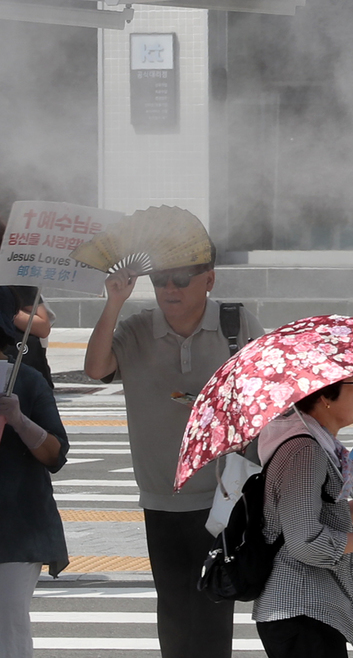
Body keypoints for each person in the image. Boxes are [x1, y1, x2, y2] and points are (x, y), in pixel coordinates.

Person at [82, 251, 263, 658]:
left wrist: (220, 412)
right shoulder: (137, 327)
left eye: (181, 279)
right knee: (174, 610)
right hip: (161, 496)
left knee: (215, 608)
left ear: (209, 280)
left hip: (222, 497)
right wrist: (114, 301)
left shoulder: (237, 324)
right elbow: (95, 369)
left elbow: (264, 399)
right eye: (161, 279)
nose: (169, 288)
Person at [254, 376, 353, 657]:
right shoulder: (304, 452)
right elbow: (305, 542)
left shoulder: (315, 444)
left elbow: (321, 518)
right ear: (324, 397)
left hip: (309, 608)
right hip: (301, 609)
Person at [0, 288, 68, 658]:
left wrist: (20, 420)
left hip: (16, 528)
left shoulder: (25, 382)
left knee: (8, 631)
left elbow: (56, 454)